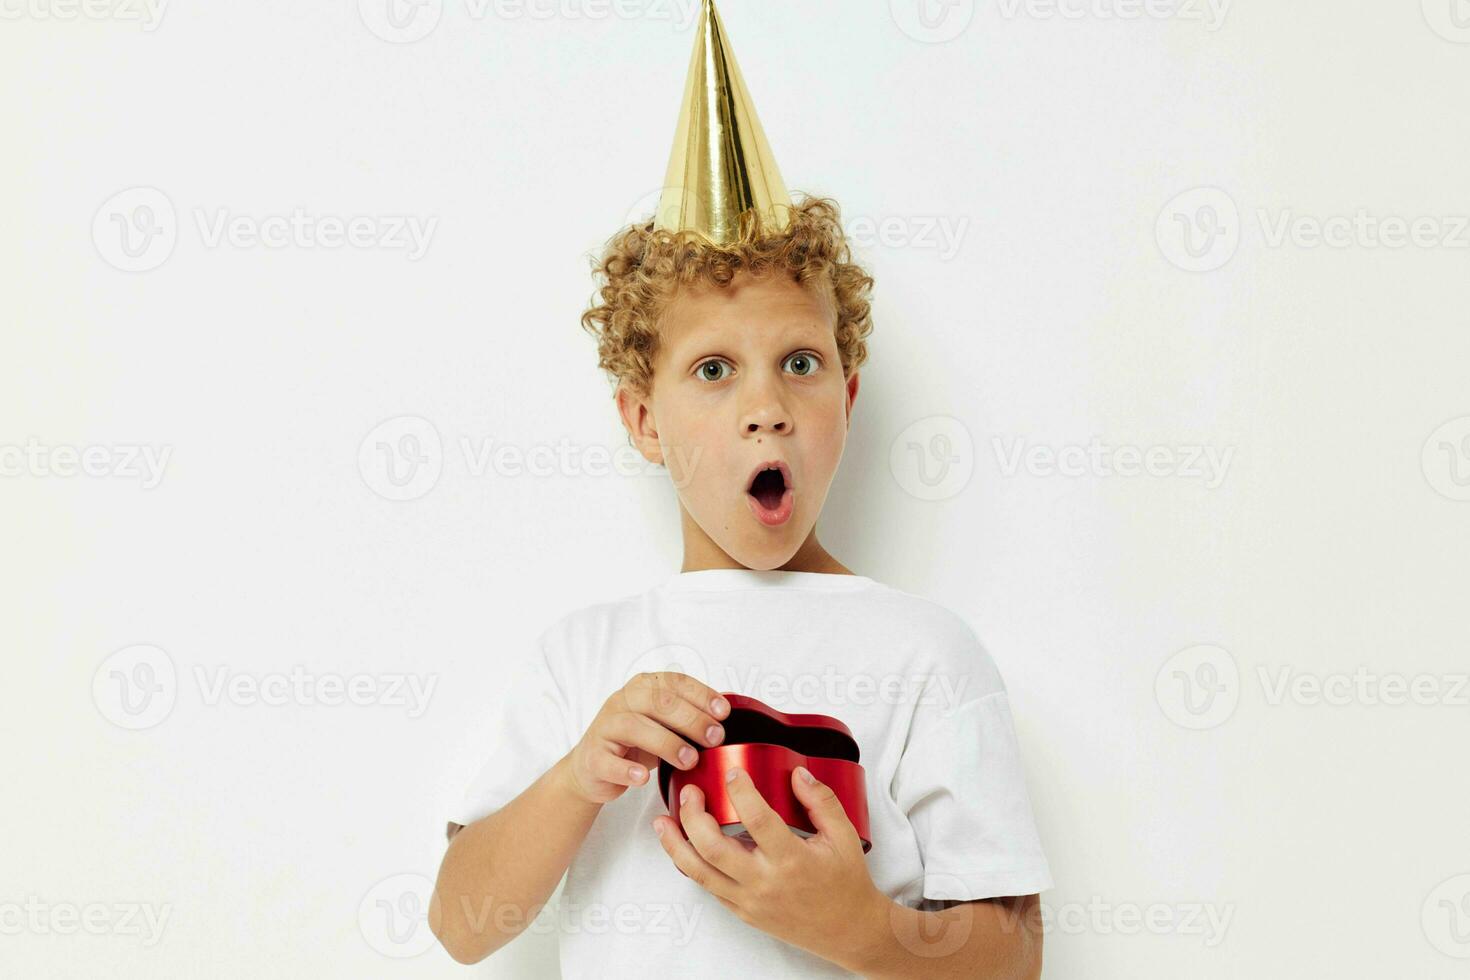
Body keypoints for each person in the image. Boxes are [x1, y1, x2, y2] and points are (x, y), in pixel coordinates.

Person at [430, 2, 1051, 975]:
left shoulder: (927, 655)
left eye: (799, 363)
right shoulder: (583, 659)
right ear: (643, 419)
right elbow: (461, 921)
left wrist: (854, 923)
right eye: (714, 370)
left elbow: (1013, 954)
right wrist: (579, 778)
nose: (766, 405)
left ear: (846, 396)